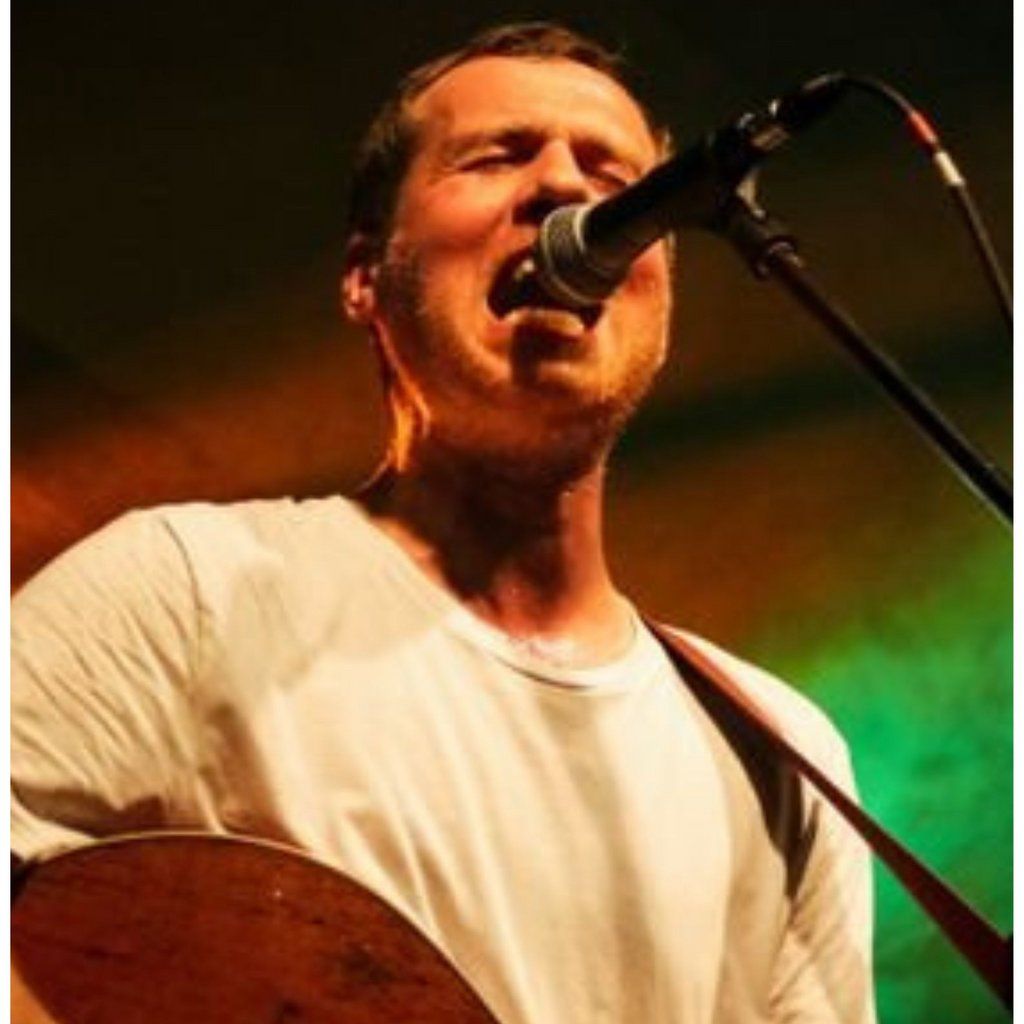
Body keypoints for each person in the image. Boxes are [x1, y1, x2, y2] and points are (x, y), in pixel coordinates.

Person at [11, 22, 876, 1023]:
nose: (564, 188)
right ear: (365, 276)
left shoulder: (780, 748)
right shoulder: (188, 590)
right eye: (497, 156)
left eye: (613, 175)